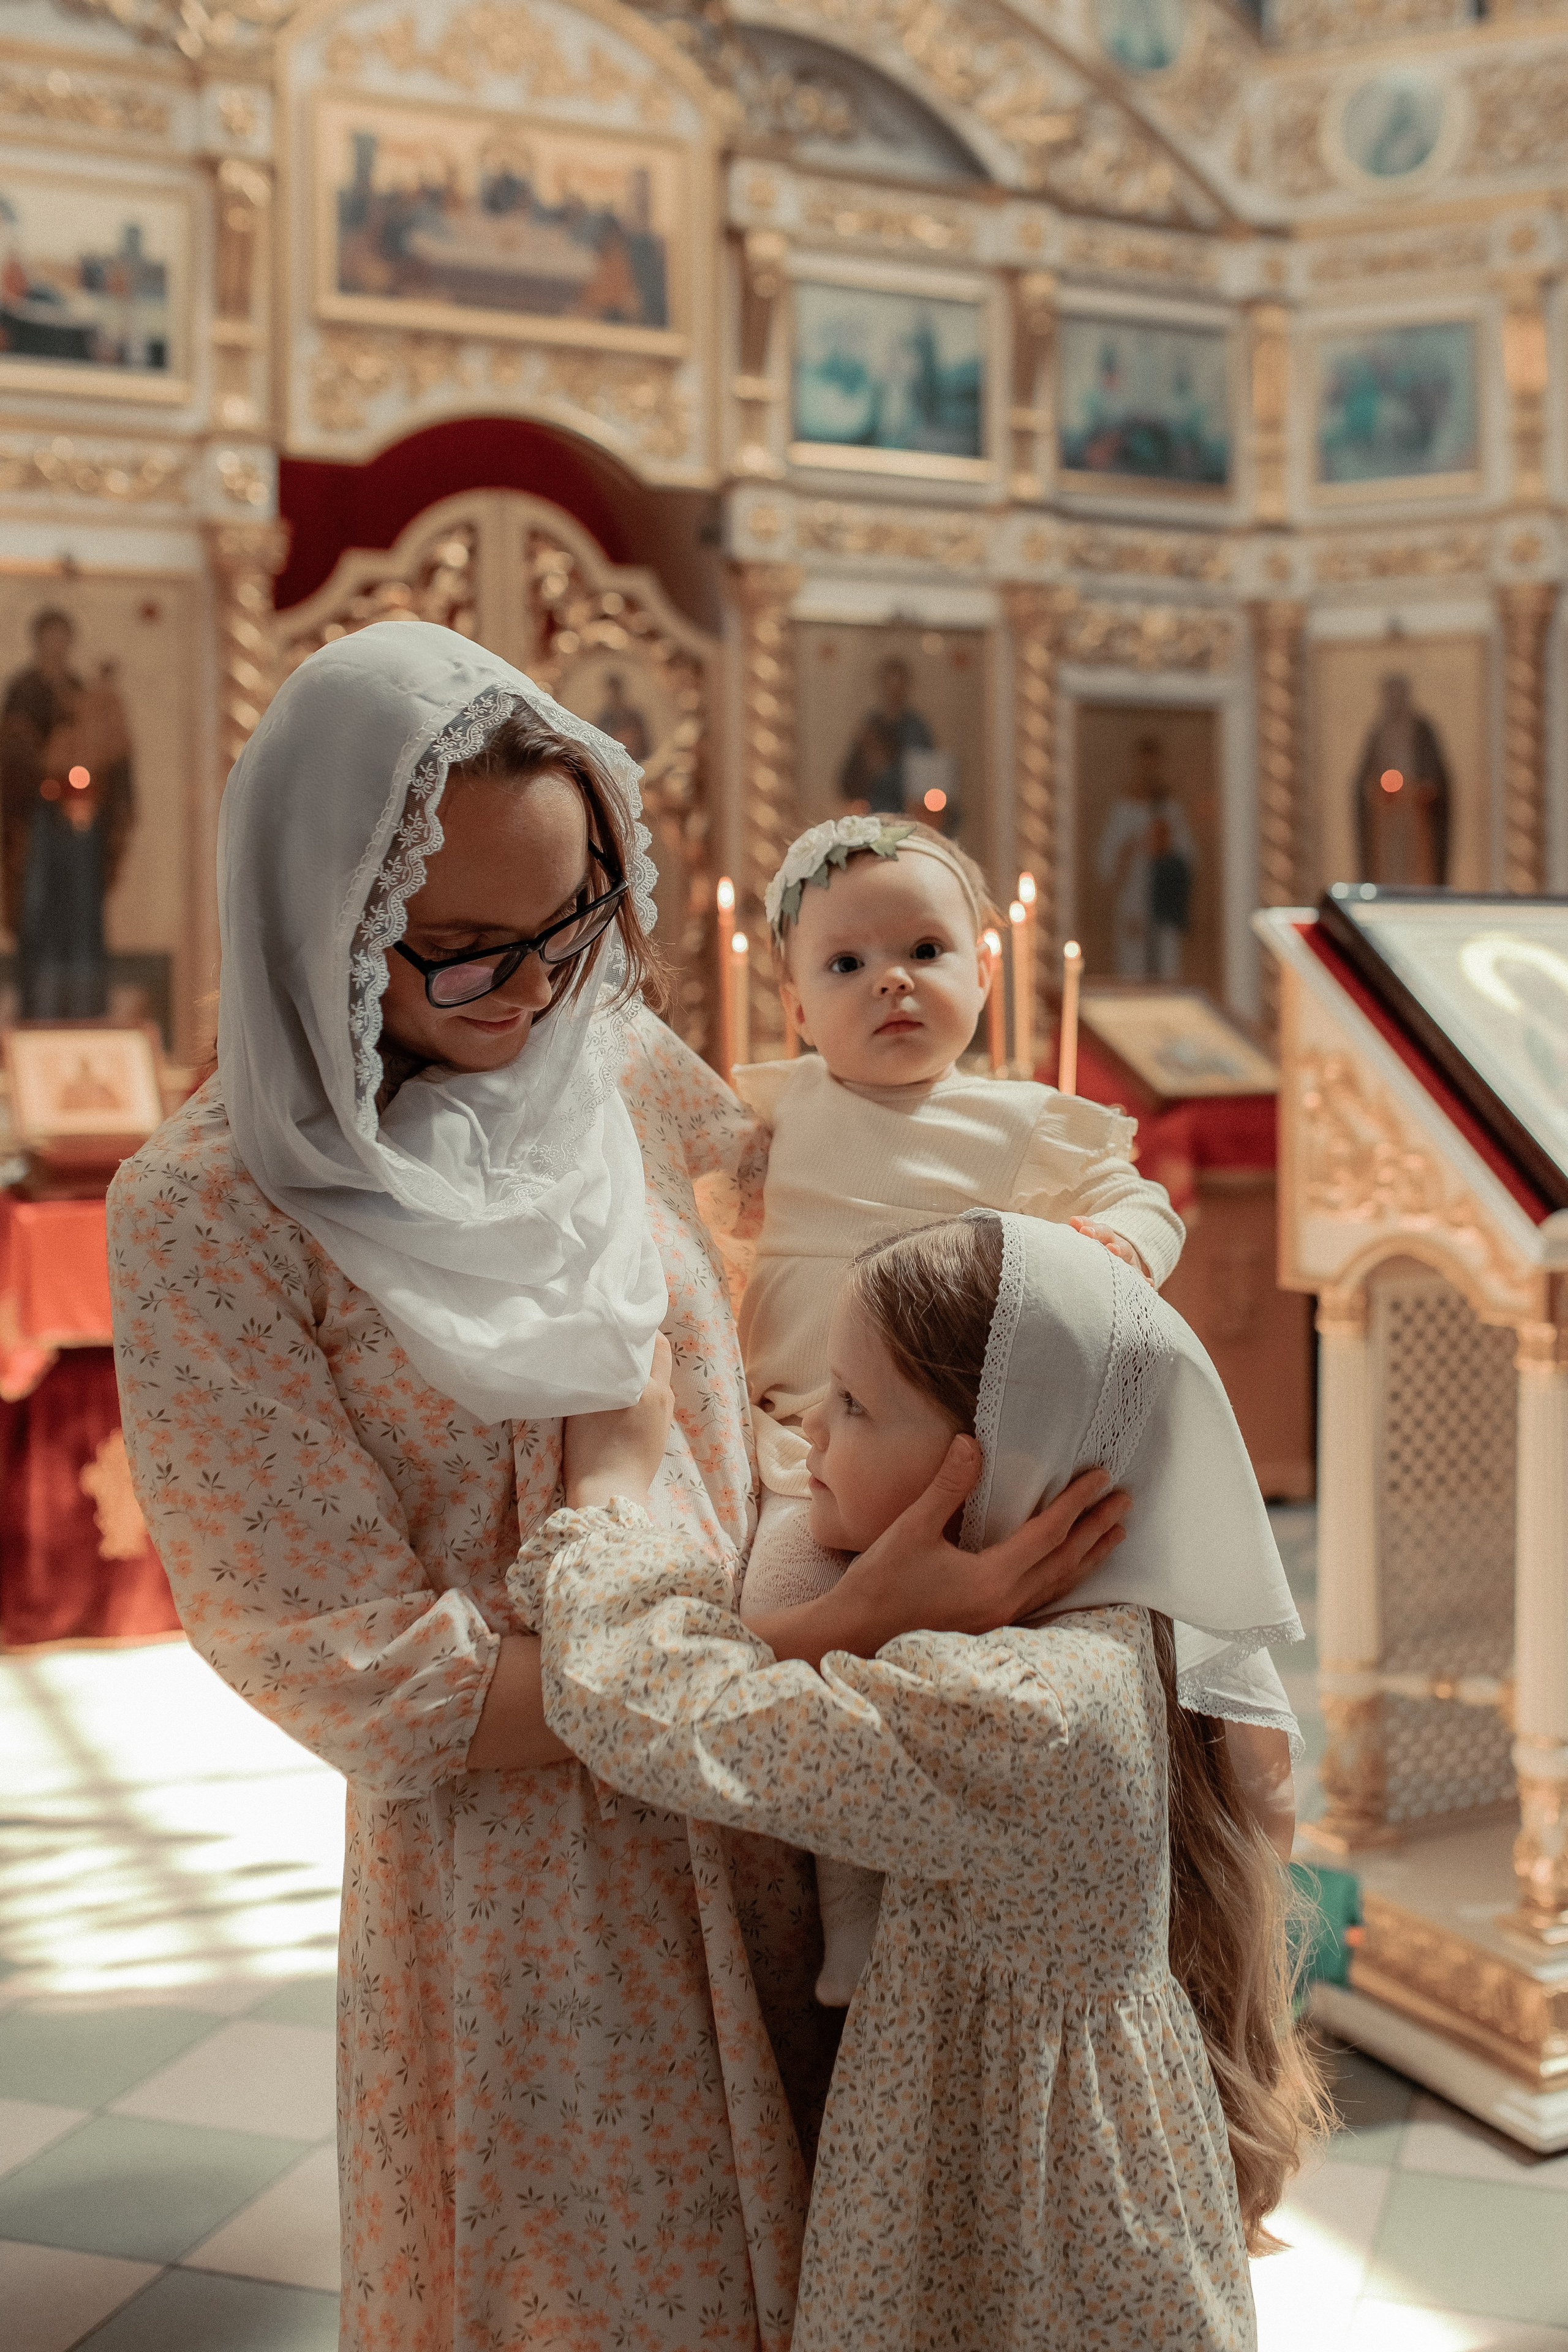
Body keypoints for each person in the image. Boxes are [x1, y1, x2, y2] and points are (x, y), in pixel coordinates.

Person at [107, 622, 1131, 2351]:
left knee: (864, 2264)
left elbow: (846, 1226)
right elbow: (356, 1666)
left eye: (578, 919)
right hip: (534, 1894)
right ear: (324, 926)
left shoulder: (616, 1064)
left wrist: (1058, 1212)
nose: (532, 993)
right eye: (457, 954)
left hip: (796, 1801)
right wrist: (814, 1639)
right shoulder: (213, 1212)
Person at [514, 1210, 1329, 2349]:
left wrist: (606, 1495)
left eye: (853, 1405)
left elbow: (664, 1711)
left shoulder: (1029, 1712)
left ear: (996, 1462)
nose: (804, 1428)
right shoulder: (1089, 1630)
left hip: (1030, 2232)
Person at [727, 812, 1298, 2002]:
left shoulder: (1021, 1122)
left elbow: (1139, 1202)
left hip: (993, 1463)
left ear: (983, 972)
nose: (890, 980)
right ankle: (846, 1915)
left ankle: (1234, 1818)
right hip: (809, 1455)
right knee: (787, 1611)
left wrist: (1113, 1246)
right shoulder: (769, 1121)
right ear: (791, 1006)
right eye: (843, 964)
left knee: (1121, 1634)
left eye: (925, 951)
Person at [1, 605, 135, 1016]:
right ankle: (37, 1005)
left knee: (82, 909)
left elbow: (110, 752)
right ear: (39, 640)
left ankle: (83, 1005)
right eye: (49, 637)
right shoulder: (24, 691)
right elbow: (13, 756)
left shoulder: (83, 691)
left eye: (63, 637)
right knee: (39, 907)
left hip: (81, 823)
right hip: (38, 819)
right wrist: (47, 764)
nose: (56, 645)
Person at [1094, 732, 1197, 981]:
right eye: (1143, 764)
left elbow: (1189, 858)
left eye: (1154, 764)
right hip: (1133, 902)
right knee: (1133, 969)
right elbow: (1105, 863)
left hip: (1164, 902)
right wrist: (1130, 849)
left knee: (1167, 969)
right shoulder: (1123, 809)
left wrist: (1164, 847)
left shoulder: (1170, 809)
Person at [1352, 671, 1451, 888]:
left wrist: (1421, 789)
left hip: (1416, 813)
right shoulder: (1379, 731)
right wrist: (1377, 790)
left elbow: (1436, 778)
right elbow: (1364, 780)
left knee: (1416, 864)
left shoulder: (1422, 730)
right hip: (1385, 816)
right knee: (1389, 864)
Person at [837, 657, 933, 815]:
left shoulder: (916, 727)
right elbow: (851, 778)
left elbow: (924, 776)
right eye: (889, 684)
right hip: (873, 810)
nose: (893, 691)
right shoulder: (871, 723)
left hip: (908, 811)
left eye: (899, 684)